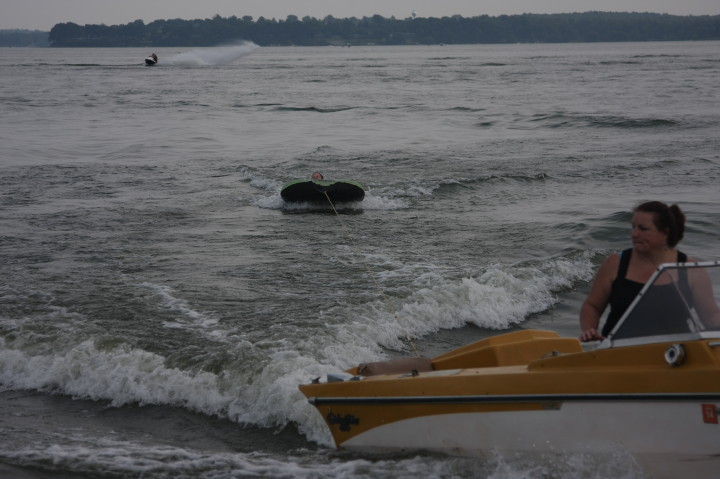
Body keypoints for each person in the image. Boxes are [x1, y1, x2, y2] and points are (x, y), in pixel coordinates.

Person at [579, 201, 692, 342]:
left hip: (675, 354)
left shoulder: (689, 267)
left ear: (664, 233)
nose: (634, 234)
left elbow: (710, 314)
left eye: (643, 229)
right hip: (619, 352)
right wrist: (589, 329)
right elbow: (592, 306)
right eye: (633, 227)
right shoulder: (615, 263)